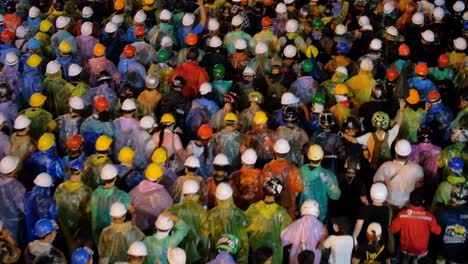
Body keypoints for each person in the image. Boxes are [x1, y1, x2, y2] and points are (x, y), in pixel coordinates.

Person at [245, 178, 292, 264]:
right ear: (278, 193)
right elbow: (288, 236)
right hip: (275, 256)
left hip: (257, 254)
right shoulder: (281, 213)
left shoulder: (252, 209)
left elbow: (244, 228)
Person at [203, 183, 250, 264]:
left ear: (217, 197)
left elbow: (205, 232)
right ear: (231, 196)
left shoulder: (211, 214)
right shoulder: (240, 214)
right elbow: (248, 231)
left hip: (218, 254)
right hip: (238, 254)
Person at [390, 189, 441, 263]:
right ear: (423, 202)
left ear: (409, 200)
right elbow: (438, 231)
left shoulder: (402, 214)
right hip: (421, 251)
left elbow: (393, 229)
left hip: (405, 250)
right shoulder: (429, 217)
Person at [87, 164, 132, 244]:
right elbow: (132, 210)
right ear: (115, 178)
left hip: (97, 234)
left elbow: (87, 210)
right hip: (114, 234)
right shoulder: (121, 195)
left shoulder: (95, 193)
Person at [54, 159, 92, 252]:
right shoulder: (86, 191)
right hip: (82, 227)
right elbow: (89, 212)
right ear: (82, 172)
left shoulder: (60, 188)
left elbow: (55, 207)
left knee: (71, 247)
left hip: (65, 227)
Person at [373, 139, 424, 209]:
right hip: (408, 205)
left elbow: (377, 183)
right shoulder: (418, 169)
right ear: (409, 153)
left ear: (396, 152)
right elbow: (419, 187)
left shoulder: (385, 166)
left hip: (390, 203)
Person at [166, 180, 209, 263]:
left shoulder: (173, 209)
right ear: (196, 195)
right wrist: (204, 253)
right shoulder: (202, 211)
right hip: (196, 253)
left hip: (177, 251)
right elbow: (205, 236)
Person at [260, 139, 303, 219]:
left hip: (271, 208)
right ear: (287, 152)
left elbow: (263, 187)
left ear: (275, 151)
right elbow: (299, 188)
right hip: (288, 209)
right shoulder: (293, 169)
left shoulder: (267, 168)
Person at [299, 144, 341, 221]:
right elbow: (335, 196)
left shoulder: (300, 171)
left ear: (308, 156)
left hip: (304, 210)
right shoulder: (328, 175)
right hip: (320, 214)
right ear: (322, 157)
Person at [129, 162, 173, 234]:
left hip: (137, 228)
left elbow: (129, 206)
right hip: (156, 229)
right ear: (160, 177)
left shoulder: (134, 190)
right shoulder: (165, 196)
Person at [281, 200, 326, 264]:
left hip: (298, 256)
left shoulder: (297, 223)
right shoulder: (319, 224)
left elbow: (284, 236)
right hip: (312, 256)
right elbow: (323, 235)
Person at [23, 173, 57, 243]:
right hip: (44, 234)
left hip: (29, 234)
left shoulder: (27, 196)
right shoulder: (51, 202)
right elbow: (53, 219)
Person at [0, 155, 25, 245]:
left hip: (3, 222)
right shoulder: (17, 187)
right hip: (17, 223)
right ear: (13, 171)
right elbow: (24, 208)